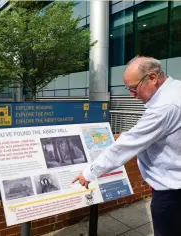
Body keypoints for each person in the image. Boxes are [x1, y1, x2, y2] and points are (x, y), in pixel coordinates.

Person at [72, 56, 181, 236]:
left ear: (152, 78)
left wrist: (89, 173)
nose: (132, 94)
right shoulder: (176, 88)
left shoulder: (164, 106)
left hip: (171, 192)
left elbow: (124, 147)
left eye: (133, 88)